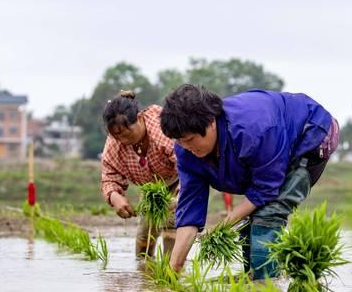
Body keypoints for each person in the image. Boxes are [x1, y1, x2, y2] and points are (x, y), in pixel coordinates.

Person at [160, 84, 339, 280]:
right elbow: (190, 210)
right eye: (180, 141)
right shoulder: (185, 151)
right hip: (273, 142)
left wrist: (222, 226)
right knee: (248, 224)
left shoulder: (252, 130)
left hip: (311, 133)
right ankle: (253, 277)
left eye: (191, 139)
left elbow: (264, 190)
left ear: (211, 122)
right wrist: (171, 272)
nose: (187, 147)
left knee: (269, 214)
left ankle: (266, 283)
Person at [100, 90, 178, 258]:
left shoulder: (160, 129)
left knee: (172, 224)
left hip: (179, 180)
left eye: (127, 133)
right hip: (150, 190)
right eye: (117, 136)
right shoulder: (114, 143)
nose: (123, 140)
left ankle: (172, 272)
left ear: (141, 118)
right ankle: (144, 273)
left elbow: (185, 163)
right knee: (146, 231)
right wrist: (115, 198)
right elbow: (109, 176)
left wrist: (181, 193)